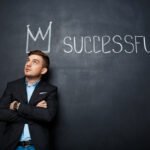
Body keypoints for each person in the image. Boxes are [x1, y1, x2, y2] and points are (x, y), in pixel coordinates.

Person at [0, 50, 57, 150]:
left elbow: (48, 116)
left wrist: (17, 106)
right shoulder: (12, 86)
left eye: (34, 62)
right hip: (12, 145)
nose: (28, 64)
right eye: (28, 60)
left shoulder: (50, 90)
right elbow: (1, 113)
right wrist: (35, 111)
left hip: (36, 146)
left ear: (43, 70)